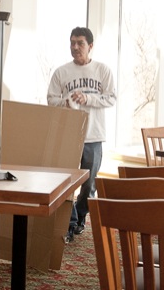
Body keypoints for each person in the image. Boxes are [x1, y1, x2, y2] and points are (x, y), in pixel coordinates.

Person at [47, 26, 116, 243]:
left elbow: (111, 98)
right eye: (72, 43)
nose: (75, 47)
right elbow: (51, 100)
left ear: (90, 46)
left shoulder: (102, 71)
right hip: (69, 136)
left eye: (80, 43)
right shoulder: (61, 72)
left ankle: (80, 217)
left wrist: (89, 99)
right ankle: (69, 223)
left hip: (94, 135)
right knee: (67, 182)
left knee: (89, 184)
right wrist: (66, 102)